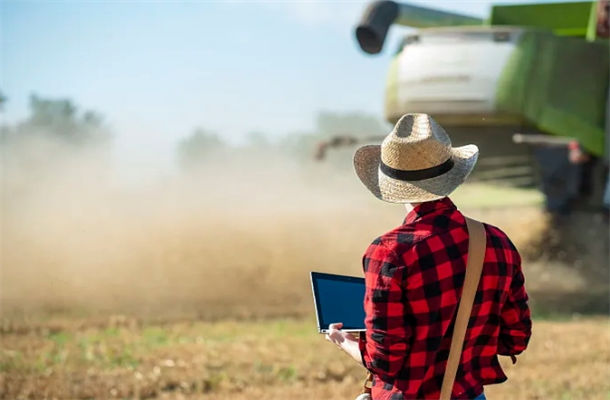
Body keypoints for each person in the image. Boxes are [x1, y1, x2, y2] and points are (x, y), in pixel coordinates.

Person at [325, 114, 532, 400]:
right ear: (450, 177)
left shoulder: (388, 252)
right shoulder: (497, 241)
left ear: (389, 183)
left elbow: (385, 361)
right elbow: (516, 338)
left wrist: (345, 342)